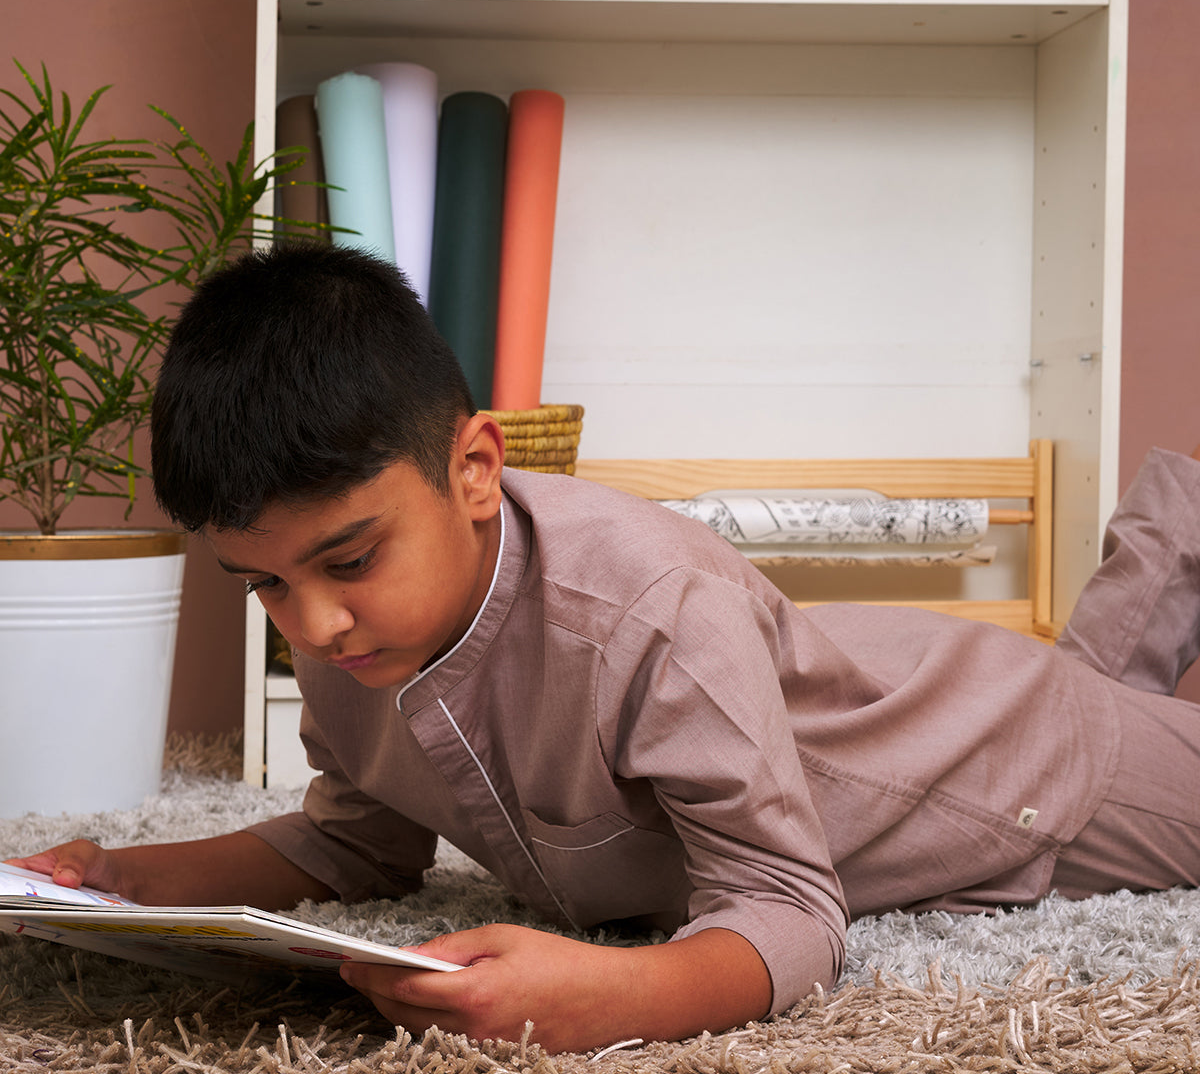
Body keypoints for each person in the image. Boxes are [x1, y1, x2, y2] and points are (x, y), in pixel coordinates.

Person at [12, 243, 1200, 1055]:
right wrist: (130, 879)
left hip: (1014, 758)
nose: (310, 624)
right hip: (872, 684)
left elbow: (791, 908)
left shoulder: (650, 610)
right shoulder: (345, 632)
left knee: (1109, 712)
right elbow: (353, 844)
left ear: (475, 469)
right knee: (1110, 664)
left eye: (349, 561)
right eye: (264, 582)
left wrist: (615, 995)